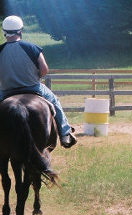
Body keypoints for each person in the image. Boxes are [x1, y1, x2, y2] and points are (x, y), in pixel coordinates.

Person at [0, 15, 76, 148]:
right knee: (55, 101)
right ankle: (65, 133)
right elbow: (44, 69)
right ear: (20, 30)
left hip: (7, 90)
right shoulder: (32, 47)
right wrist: (36, 76)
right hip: (33, 87)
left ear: (4, 31)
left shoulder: (0, 50)